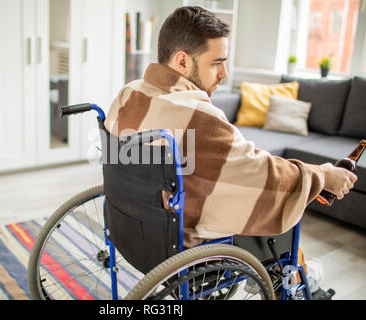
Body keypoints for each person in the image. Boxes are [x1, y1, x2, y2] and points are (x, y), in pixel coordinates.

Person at [104, 6, 357, 297]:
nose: (225, 73)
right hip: (182, 247)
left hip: (131, 227)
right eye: (217, 62)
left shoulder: (129, 93)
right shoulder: (199, 117)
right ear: (183, 61)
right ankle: (297, 282)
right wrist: (321, 175)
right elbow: (265, 177)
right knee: (281, 210)